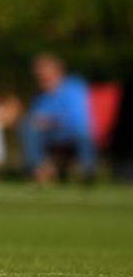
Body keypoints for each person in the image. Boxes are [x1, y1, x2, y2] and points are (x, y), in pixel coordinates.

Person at [20, 53, 96, 184]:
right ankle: (38, 169)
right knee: (28, 127)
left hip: (73, 131)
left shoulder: (74, 87)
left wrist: (48, 121)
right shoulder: (41, 96)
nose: (40, 79)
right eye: (39, 76)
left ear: (57, 72)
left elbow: (76, 118)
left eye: (44, 74)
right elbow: (35, 117)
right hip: (52, 134)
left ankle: (88, 171)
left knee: (82, 132)